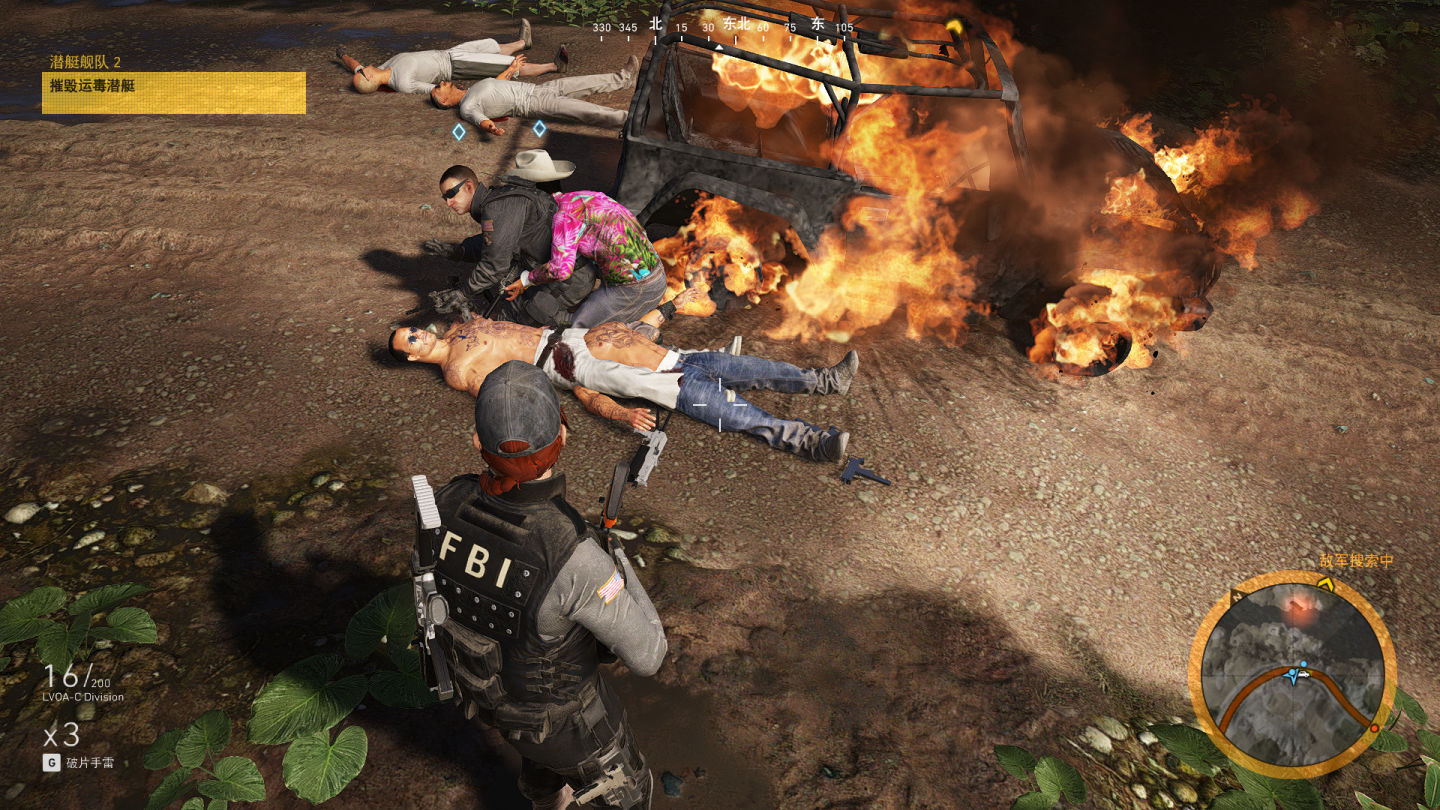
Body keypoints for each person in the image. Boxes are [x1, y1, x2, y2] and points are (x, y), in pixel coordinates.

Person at [423, 361, 665, 809]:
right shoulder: (574, 554)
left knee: (542, 769)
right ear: (563, 437)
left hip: (490, 698)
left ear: (477, 441)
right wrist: (614, 558)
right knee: (630, 794)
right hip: (573, 727)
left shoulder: (441, 502)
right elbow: (648, 655)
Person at [389, 314, 858, 462]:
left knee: (721, 365)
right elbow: (509, 392)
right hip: (565, 362)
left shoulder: (458, 326)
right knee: (696, 393)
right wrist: (560, 423)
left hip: (572, 336)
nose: (417, 335)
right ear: (412, 356)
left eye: (412, 329)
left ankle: (822, 380)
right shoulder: (458, 370)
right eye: (410, 341)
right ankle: (808, 441)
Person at [425, 163, 597, 328]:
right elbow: (496, 240)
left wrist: (463, 293)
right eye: (445, 198)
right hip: (550, 274)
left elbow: (495, 265)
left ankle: (596, 325)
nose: (448, 203)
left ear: (469, 186)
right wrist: (461, 251)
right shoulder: (497, 203)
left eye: (451, 194)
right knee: (506, 315)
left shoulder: (498, 208)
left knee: (513, 323)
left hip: (569, 279)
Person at [501, 187, 667, 329]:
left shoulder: (563, 217)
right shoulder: (579, 197)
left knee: (579, 328)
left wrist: (526, 280)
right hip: (653, 270)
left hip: (637, 288)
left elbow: (560, 270)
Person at [429, 54, 639, 135]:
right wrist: (490, 127)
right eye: (438, 88)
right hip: (533, 103)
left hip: (539, 89)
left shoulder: (473, 89)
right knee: (586, 111)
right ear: (445, 101)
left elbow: (498, 83)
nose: (441, 83)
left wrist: (512, 68)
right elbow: (479, 120)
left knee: (585, 82)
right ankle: (630, 122)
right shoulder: (466, 107)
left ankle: (624, 78)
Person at [338, 22, 564, 94]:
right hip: (457, 65)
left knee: (489, 46)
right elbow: (435, 89)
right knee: (507, 65)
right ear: (369, 77)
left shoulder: (384, 67)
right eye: (363, 71)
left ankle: (522, 43)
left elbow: (354, 66)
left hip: (451, 53)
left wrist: (342, 55)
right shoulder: (403, 83)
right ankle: (554, 67)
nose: (362, 68)